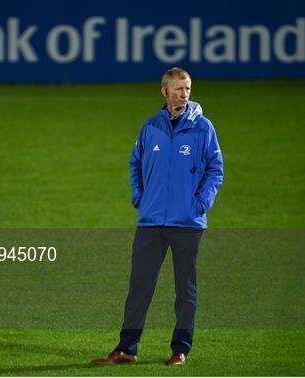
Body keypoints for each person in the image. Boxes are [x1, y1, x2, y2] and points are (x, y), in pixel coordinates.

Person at [92, 67, 224, 366]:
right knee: (139, 287)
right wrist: (139, 196)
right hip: (151, 221)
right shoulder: (151, 126)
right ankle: (127, 348)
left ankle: (180, 350)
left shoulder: (203, 128)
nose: (184, 94)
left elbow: (216, 169)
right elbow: (135, 162)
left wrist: (201, 203)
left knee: (184, 291)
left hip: (187, 224)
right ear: (164, 92)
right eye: (178, 89)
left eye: (187, 88)